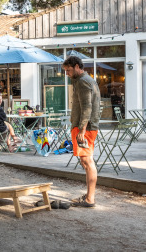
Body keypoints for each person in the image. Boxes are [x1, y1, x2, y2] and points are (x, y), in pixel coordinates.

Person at [62, 56, 100, 208]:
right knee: (85, 161)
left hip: (85, 128)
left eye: (69, 70)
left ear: (77, 66)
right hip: (84, 126)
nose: (67, 74)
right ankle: (89, 196)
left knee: (88, 161)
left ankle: (90, 199)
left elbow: (87, 107)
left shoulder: (84, 81)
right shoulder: (82, 80)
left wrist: (82, 129)